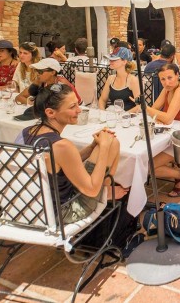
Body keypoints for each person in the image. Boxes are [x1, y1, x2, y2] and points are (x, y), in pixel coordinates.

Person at [18, 84, 125, 224]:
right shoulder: (61, 146)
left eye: (77, 104)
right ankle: (104, 190)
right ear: (50, 112)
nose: (79, 110)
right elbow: (91, 190)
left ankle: (105, 189)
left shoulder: (27, 132)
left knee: (110, 143)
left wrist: (93, 146)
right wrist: (103, 147)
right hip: (62, 211)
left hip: (31, 206)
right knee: (112, 143)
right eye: (72, 107)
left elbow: (62, 163)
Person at [146, 63, 180, 197]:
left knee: (147, 167)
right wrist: (156, 115)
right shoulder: (167, 89)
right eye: (163, 79)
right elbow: (155, 108)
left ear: (178, 75)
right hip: (168, 133)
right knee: (143, 159)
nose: (167, 82)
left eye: (170, 77)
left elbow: (167, 118)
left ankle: (179, 175)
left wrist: (144, 107)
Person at [15, 58, 81, 105]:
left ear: (52, 72)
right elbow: (19, 97)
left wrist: (35, 104)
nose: (37, 74)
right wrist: (33, 103)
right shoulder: (40, 81)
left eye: (40, 71)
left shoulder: (61, 84)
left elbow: (58, 106)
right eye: (36, 71)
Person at [99, 47, 140, 112]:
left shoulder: (133, 80)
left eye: (114, 59)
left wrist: (123, 116)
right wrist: (103, 112)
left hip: (129, 118)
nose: (110, 61)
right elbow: (102, 100)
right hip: (112, 116)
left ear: (124, 61)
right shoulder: (111, 78)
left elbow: (139, 106)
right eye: (110, 59)